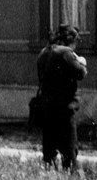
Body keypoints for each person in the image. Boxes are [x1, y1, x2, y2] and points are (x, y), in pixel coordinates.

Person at [35, 24, 88, 169]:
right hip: (65, 109)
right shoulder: (66, 53)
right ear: (72, 40)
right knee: (69, 152)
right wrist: (82, 62)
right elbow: (81, 73)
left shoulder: (44, 52)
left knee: (49, 152)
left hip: (46, 108)